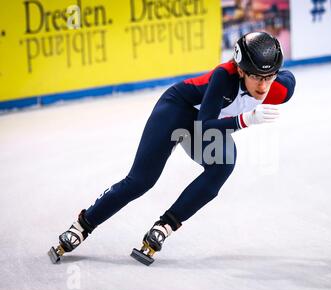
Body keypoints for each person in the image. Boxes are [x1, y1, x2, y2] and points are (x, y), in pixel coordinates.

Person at [49, 31, 296, 265]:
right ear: (241, 70)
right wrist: (245, 120)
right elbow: (204, 126)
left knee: (223, 166)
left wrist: (253, 104)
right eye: (256, 77)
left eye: (269, 77)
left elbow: (288, 79)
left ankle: (163, 227)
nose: (263, 86)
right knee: (140, 181)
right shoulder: (224, 76)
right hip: (176, 112)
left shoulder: (281, 88)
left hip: (204, 124)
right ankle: (82, 226)